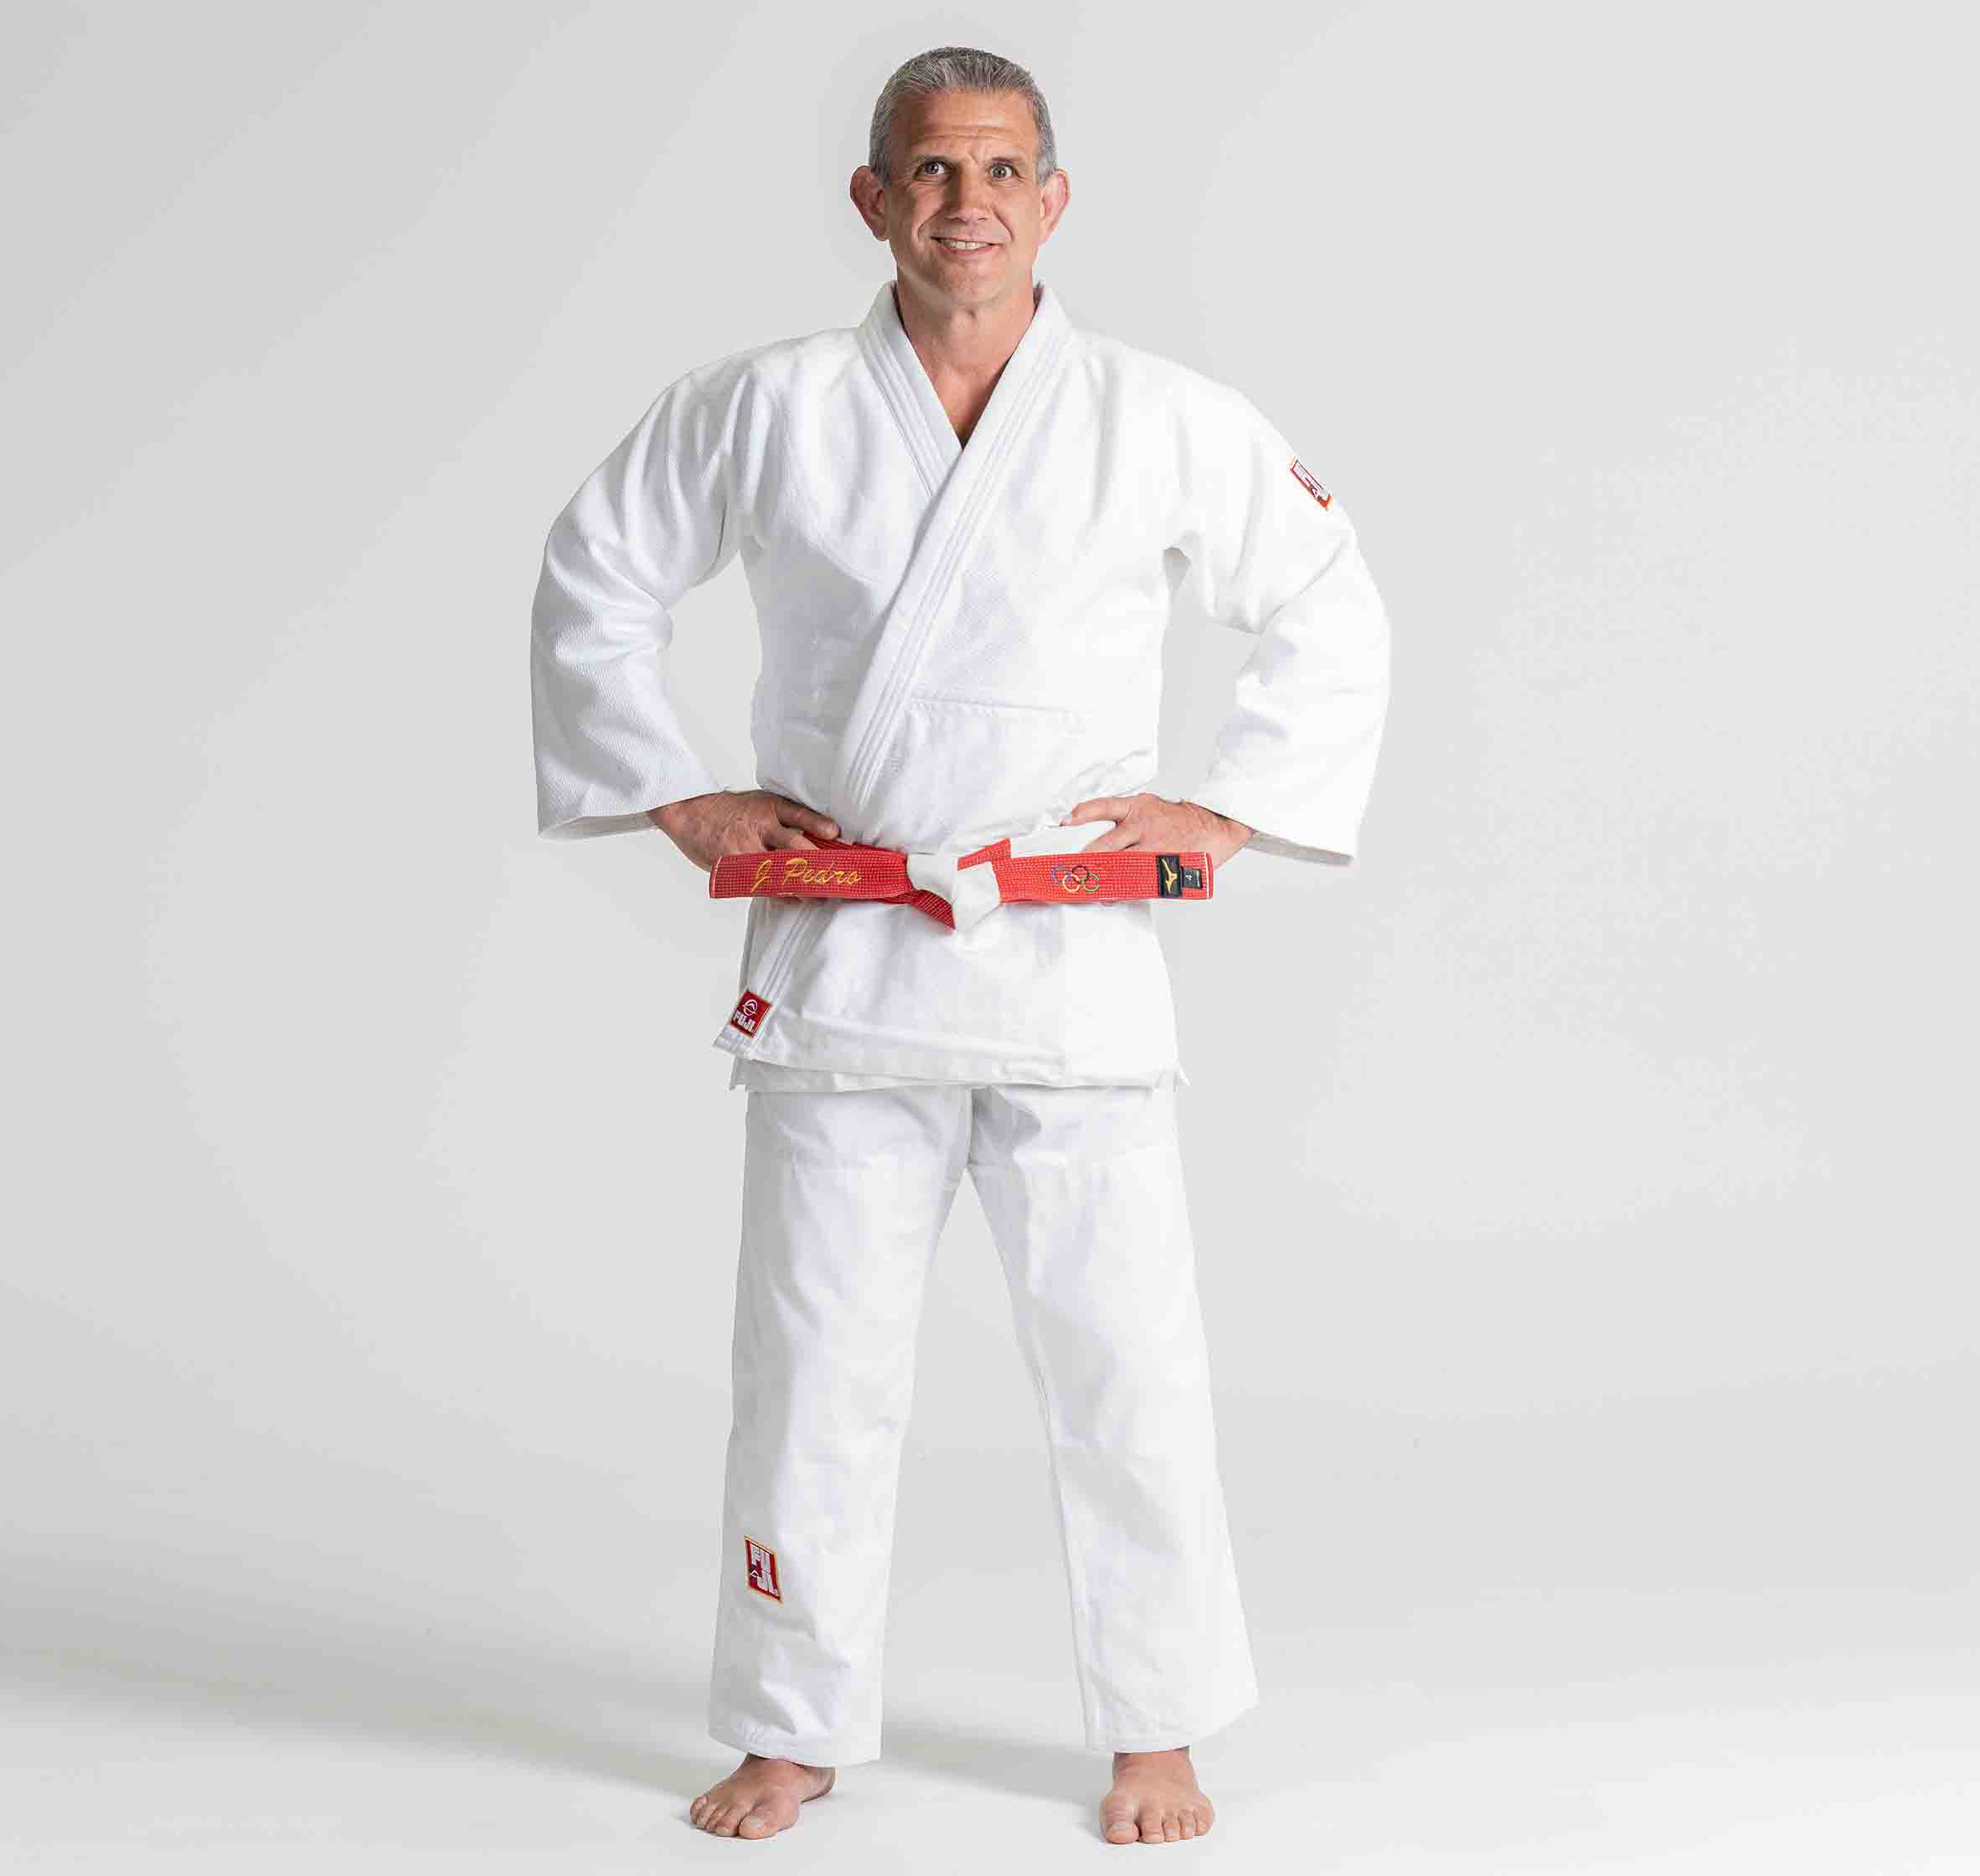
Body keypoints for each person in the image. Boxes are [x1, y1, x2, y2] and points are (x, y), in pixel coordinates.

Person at [529, 44, 1391, 1847]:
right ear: (874, 199)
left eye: (1002, 169)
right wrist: (682, 794)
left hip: (1071, 961)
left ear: (1054, 200)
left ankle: (1157, 1725)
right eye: (930, 171)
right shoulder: (763, 406)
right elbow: (595, 572)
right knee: (814, 1369)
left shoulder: (1160, 414)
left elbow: (1325, 595)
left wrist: (1229, 807)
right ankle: (791, 1719)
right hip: (850, 960)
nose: (966, 203)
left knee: (1127, 1364)